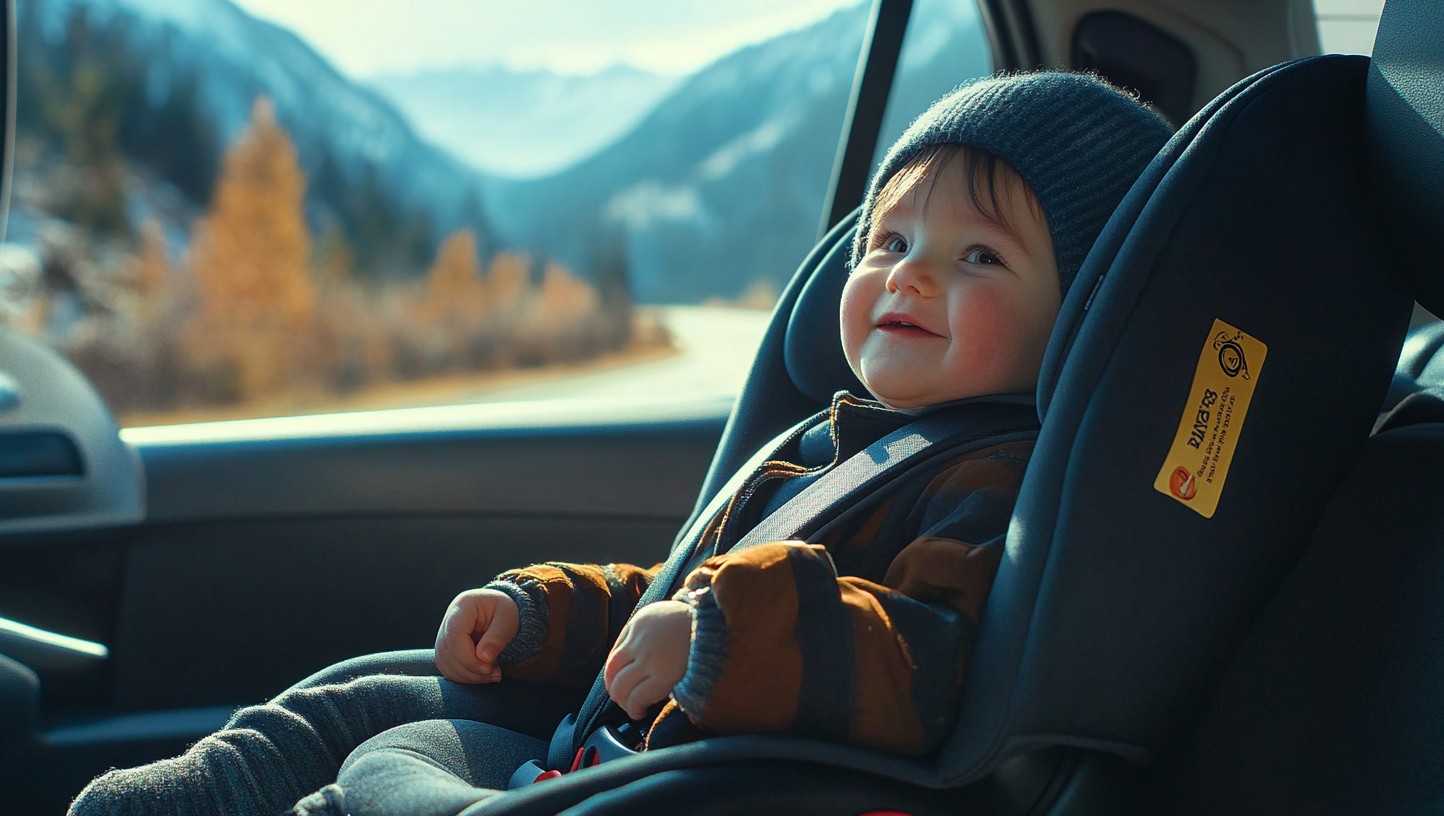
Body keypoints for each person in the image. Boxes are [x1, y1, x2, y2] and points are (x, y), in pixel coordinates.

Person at [69, 72, 1172, 816]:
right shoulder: (829, 447)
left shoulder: (996, 482)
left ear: (1077, 315)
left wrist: (710, 645)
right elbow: (671, 588)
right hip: (634, 739)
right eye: (888, 238)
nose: (908, 273)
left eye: (979, 257)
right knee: (350, 706)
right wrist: (545, 612)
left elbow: (923, 661)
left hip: (717, 778)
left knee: (377, 777)